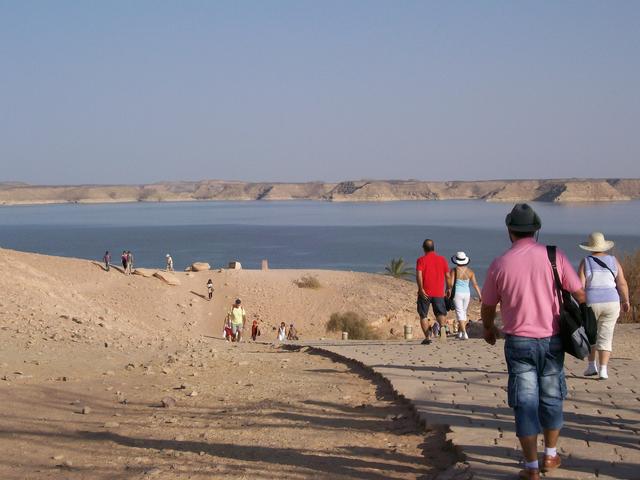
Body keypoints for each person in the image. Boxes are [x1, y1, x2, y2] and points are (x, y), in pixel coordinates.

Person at [481, 204, 586, 480]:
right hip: (552, 340)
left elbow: (488, 305)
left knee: (525, 402)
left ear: (509, 230)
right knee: (551, 397)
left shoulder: (499, 264)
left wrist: (490, 329)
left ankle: (530, 468)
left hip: (519, 343)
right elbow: (579, 293)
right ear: (536, 229)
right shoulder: (555, 256)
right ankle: (550, 455)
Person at [578, 232, 630, 380]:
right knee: (606, 336)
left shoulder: (586, 261)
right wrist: (625, 300)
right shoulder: (614, 261)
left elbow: (580, 286)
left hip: (591, 302)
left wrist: (578, 304)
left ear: (589, 247)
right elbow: (622, 283)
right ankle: (603, 370)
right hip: (611, 302)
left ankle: (591, 366)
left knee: (591, 334)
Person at [416, 239, 451, 344]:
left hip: (425, 292)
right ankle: (443, 328)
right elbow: (448, 276)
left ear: (423, 248)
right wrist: (449, 288)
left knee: (423, 315)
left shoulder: (421, 260)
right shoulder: (442, 259)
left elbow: (419, 275)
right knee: (440, 313)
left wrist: (421, 288)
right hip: (439, 292)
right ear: (434, 247)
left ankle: (428, 338)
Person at [450, 252, 482, 340]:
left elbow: (451, 284)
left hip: (457, 293)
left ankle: (464, 333)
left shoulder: (454, 270)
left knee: (460, 312)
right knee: (463, 312)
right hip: (467, 294)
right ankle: (460, 333)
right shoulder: (470, 271)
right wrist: (480, 295)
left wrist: (448, 291)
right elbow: (475, 284)